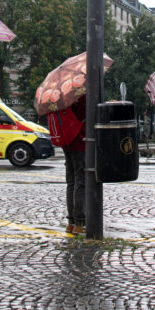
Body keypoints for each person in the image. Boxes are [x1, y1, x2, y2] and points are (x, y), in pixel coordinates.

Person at [63, 95, 87, 235]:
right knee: (81, 182)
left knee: (71, 182)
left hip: (67, 141)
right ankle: (80, 222)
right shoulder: (82, 95)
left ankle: (71, 222)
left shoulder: (63, 95)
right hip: (80, 141)